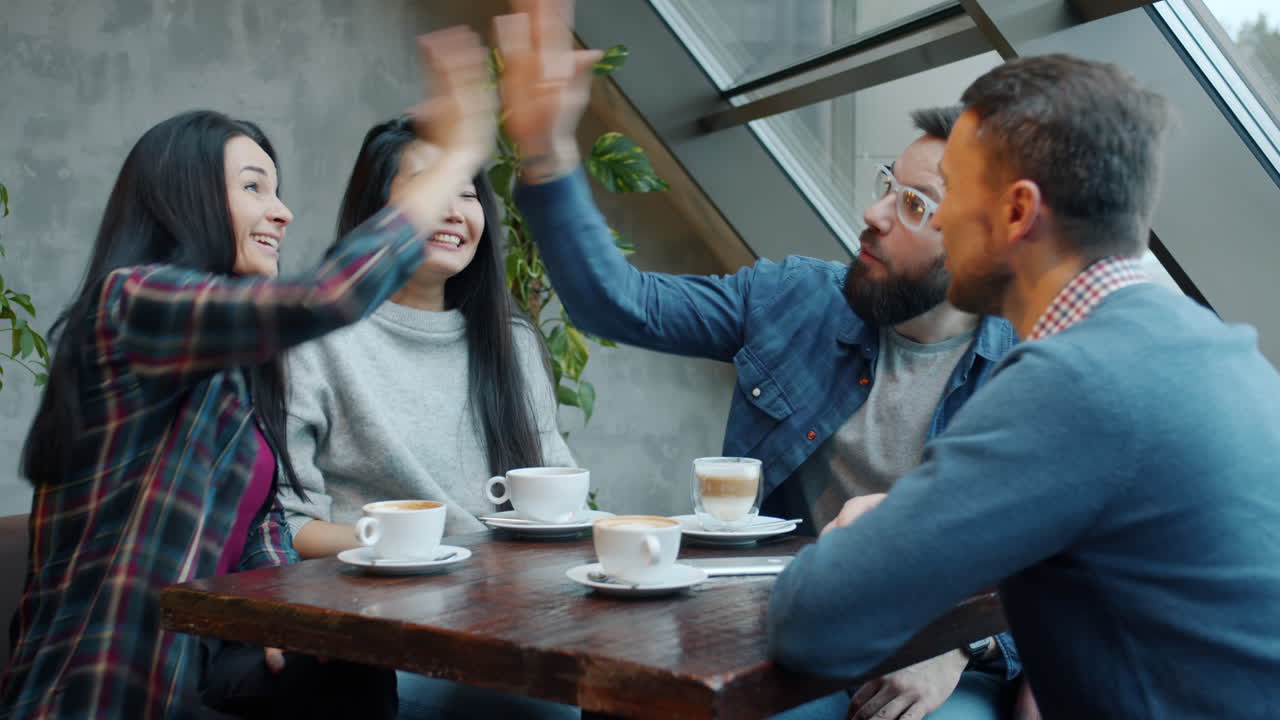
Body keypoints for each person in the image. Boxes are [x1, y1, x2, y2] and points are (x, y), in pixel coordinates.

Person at [492, 2, 1018, 717]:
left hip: (938, 657)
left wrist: (964, 647)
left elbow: (1079, 566)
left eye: (916, 206)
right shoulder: (795, 297)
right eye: (885, 186)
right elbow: (618, 304)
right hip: (779, 632)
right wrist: (548, 152)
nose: (876, 213)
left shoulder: (1028, 369)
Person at [0, 28, 497, 719]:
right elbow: (329, 296)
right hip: (104, 686)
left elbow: (259, 532)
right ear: (184, 199)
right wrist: (461, 153)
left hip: (203, 664)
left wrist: (286, 620)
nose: (283, 211)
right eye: (253, 187)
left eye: (278, 189)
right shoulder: (129, 304)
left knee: (348, 676)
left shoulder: (238, 364)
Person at [768, 54, 1280, 719]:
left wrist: (880, 529)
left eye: (953, 189)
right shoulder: (1217, 349)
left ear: (1015, 211)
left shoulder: (1072, 385)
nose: (940, 220)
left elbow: (812, 621)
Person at [279, 115, 575, 556]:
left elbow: (557, 490)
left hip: (505, 592)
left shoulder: (513, 343)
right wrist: (411, 544)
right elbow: (290, 521)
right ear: (376, 211)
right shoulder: (316, 339)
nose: (454, 212)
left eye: (467, 194)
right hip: (369, 594)